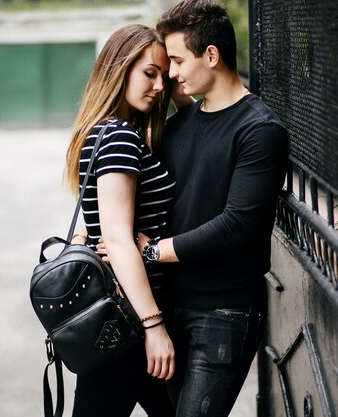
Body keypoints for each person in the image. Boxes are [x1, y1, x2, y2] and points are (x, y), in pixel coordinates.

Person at [136, 1, 289, 416]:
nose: (172, 73)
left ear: (212, 55)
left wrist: (154, 251)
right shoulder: (180, 124)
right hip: (169, 305)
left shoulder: (259, 130)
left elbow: (238, 225)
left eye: (178, 60)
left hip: (224, 312)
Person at [63, 24, 177, 417]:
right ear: (119, 68)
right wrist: (153, 326)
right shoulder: (118, 137)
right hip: (128, 324)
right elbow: (117, 239)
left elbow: (100, 224)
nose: (160, 85)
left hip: (117, 321)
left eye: (164, 75)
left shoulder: (101, 132)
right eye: (150, 73)